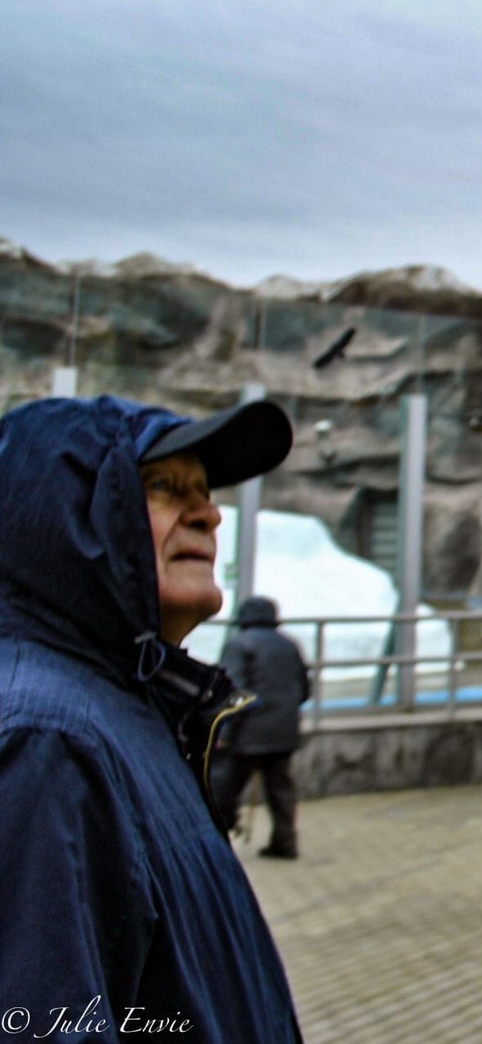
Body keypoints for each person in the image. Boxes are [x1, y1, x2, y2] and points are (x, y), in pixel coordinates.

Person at [0, 395, 303, 1040]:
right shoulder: (48, 740)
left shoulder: (122, 704)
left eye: (205, 490)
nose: (209, 512)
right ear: (60, 521)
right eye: (165, 487)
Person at [215, 595, 310, 859]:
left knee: (225, 787)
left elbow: (234, 692)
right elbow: (304, 688)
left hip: (247, 733)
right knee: (280, 789)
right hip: (284, 731)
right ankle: (285, 841)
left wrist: (223, 732)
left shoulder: (238, 644)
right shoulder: (289, 645)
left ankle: (218, 844)